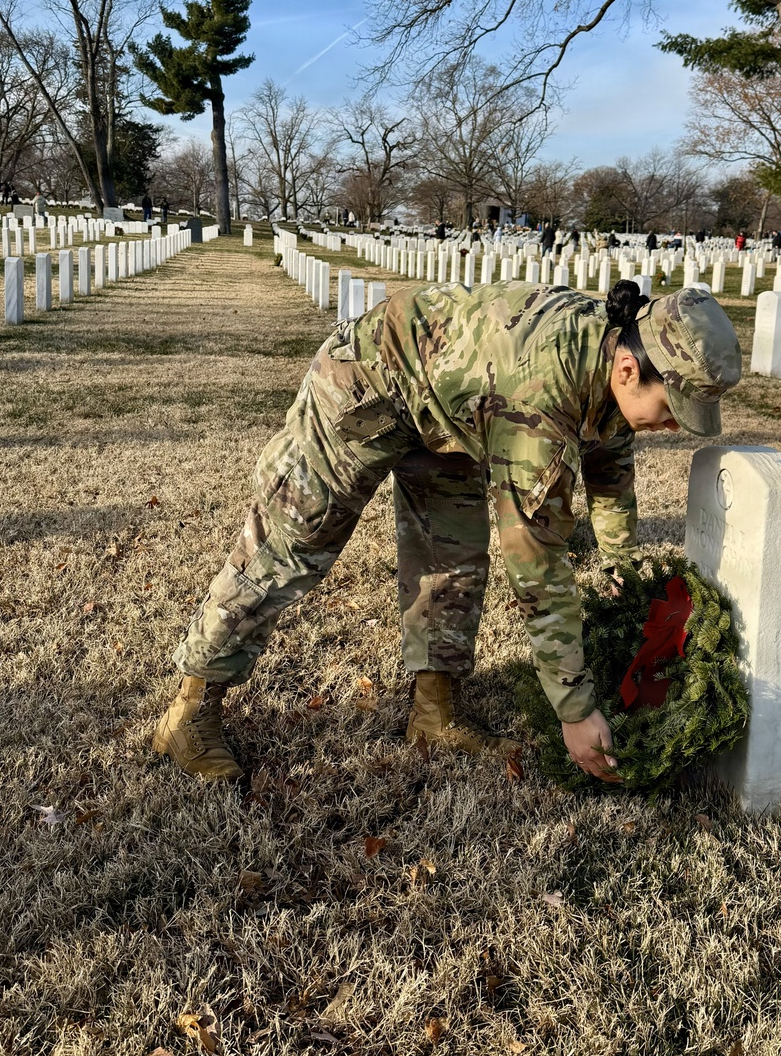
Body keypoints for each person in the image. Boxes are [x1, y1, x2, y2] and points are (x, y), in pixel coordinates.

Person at [152, 280, 742, 784]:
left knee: (452, 555)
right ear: (628, 368)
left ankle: (434, 713)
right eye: (671, 408)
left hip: (454, 405)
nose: (670, 426)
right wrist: (575, 710)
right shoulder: (541, 397)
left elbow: (610, 468)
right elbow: (536, 564)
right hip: (369, 383)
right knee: (293, 545)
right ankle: (189, 714)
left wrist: (621, 564)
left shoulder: (611, 355)